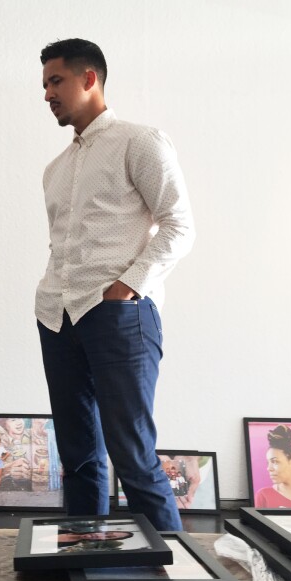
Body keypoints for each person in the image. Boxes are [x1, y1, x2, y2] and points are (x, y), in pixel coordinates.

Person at [34, 38, 195, 531]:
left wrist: (127, 286)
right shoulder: (54, 169)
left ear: (90, 79)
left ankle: (173, 578)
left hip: (119, 314)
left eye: (55, 81)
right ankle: (82, 564)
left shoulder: (140, 141)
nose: (46, 94)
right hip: (56, 316)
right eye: (43, 85)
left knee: (132, 455)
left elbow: (179, 225)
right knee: (79, 456)